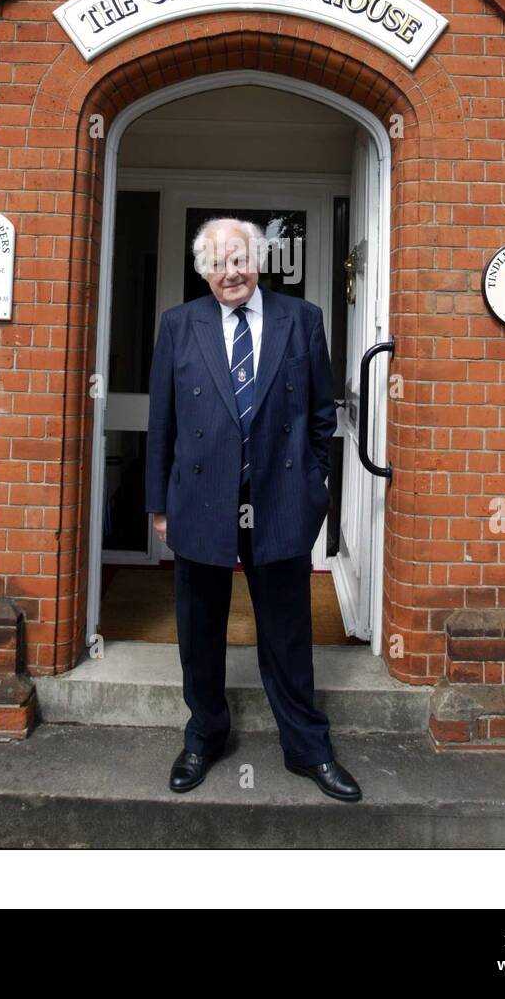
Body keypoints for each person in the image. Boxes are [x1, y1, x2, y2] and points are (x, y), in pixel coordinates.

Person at [145, 217, 362, 802]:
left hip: (280, 500)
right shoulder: (178, 325)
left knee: (287, 632)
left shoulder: (303, 319)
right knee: (199, 630)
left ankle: (307, 748)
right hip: (200, 500)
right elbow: (161, 420)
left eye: (238, 259)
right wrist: (158, 505)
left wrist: (312, 484)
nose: (229, 271)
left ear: (259, 261)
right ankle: (203, 737)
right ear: (203, 270)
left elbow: (322, 413)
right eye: (216, 262)